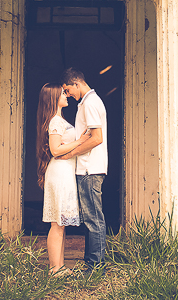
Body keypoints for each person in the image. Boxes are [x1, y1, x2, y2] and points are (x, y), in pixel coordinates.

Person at [62, 67, 107, 269]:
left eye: (68, 90)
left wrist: (71, 153)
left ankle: (96, 266)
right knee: (90, 219)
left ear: (76, 83)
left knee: (93, 219)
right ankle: (90, 262)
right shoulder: (87, 102)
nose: (68, 95)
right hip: (88, 168)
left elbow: (97, 138)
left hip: (90, 169)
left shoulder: (90, 103)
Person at [36, 82, 82, 274]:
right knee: (57, 223)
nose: (66, 95)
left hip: (64, 171)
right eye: (63, 93)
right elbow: (55, 150)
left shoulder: (58, 120)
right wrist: (81, 141)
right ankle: (55, 269)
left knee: (60, 224)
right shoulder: (55, 121)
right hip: (60, 172)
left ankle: (60, 267)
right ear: (54, 98)